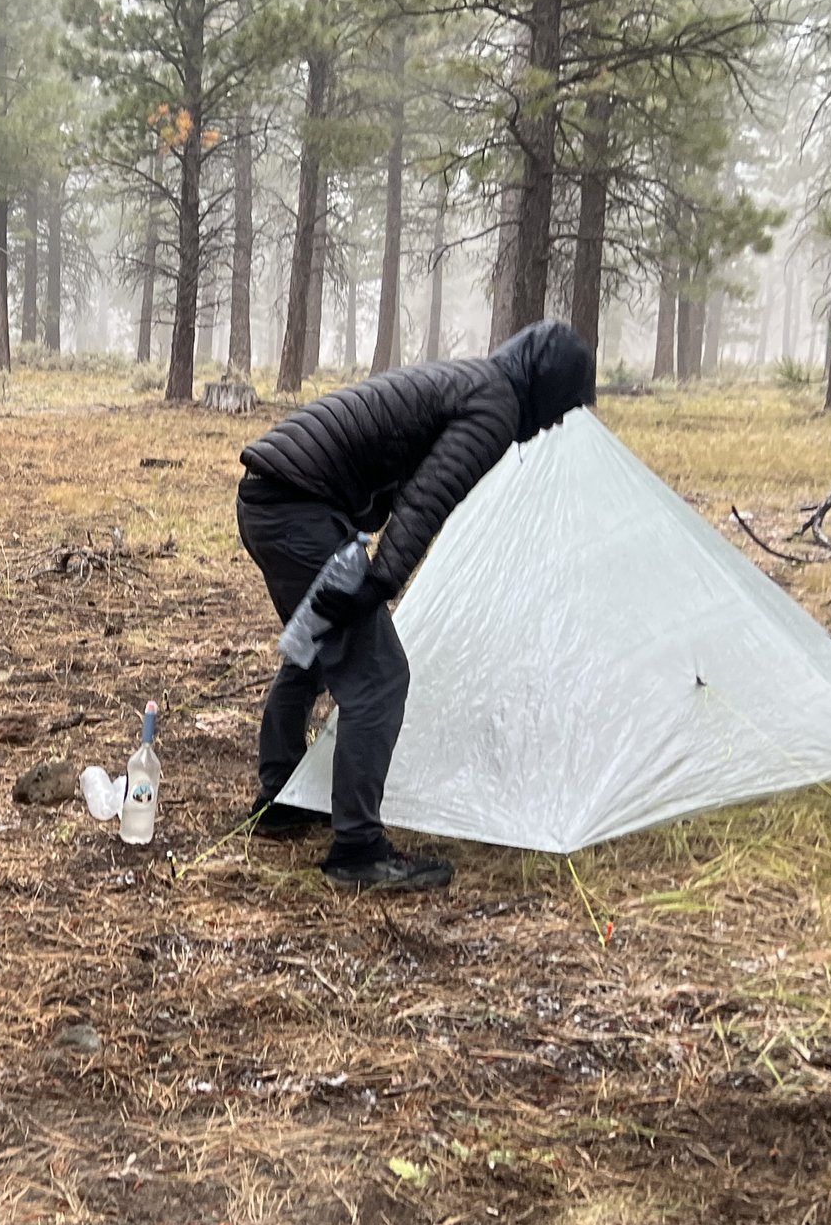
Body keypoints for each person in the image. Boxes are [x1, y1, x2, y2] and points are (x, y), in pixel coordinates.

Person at [236, 320, 597, 892]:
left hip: (271, 497)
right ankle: (357, 849)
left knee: (314, 650)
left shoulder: (474, 381)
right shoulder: (496, 402)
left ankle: (280, 801)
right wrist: (380, 582)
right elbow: (428, 495)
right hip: (299, 509)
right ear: (550, 389)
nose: (553, 425)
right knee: (380, 677)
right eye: (561, 412)